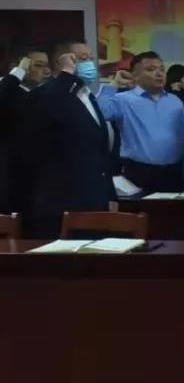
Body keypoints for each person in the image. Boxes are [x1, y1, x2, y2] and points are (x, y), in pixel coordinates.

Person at [20, 42, 114, 238]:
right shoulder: (44, 94)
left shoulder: (87, 95)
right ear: (62, 62)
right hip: (62, 203)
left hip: (94, 199)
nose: (90, 64)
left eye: (91, 59)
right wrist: (66, 75)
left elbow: (97, 148)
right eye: (82, 59)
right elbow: (48, 111)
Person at [97, 51, 184, 193]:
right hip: (138, 172)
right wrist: (113, 84)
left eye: (162, 69)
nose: (159, 74)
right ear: (135, 75)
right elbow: (101, 112)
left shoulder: (175, 101)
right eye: (151, 69)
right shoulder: (124, 99)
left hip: (174, 173)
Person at [0, 50, 50, 213]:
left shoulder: (43, 95)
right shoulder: (6, 88)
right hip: (9, 177)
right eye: (38, 65)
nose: (46, 71)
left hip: (38, 178)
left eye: (47, 66)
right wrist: (18, 72)